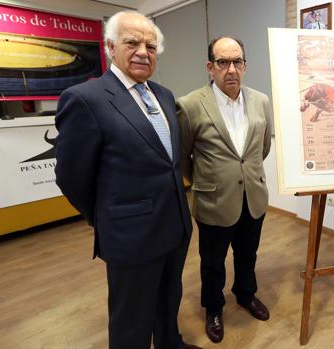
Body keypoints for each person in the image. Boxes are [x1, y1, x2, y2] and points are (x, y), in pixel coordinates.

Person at [55, 11, 199, 349]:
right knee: (131, 321)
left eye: (150, 46)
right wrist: (105, 216)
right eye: (131, 42)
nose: (142, 52)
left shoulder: (163, 95)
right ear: (110, 47)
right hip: (130, 236)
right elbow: (71, 177)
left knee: (168, 301)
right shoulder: (85, 100)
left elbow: (168, 161)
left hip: (175, 225)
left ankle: (170, 344)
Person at [176, 37, 272, 344]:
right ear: (210, 67)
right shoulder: (190, 104)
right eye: (223, 62)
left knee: (248, 255)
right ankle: (214, 308)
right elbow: (183, 155)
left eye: (237, 62)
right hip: (214, 200)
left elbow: (262, 147)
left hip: (252, 197)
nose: (231, 69)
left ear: (245, 66)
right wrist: (208, 180)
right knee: (213, 262)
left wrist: (245, 174)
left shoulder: (261, 101)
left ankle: (245, 294)